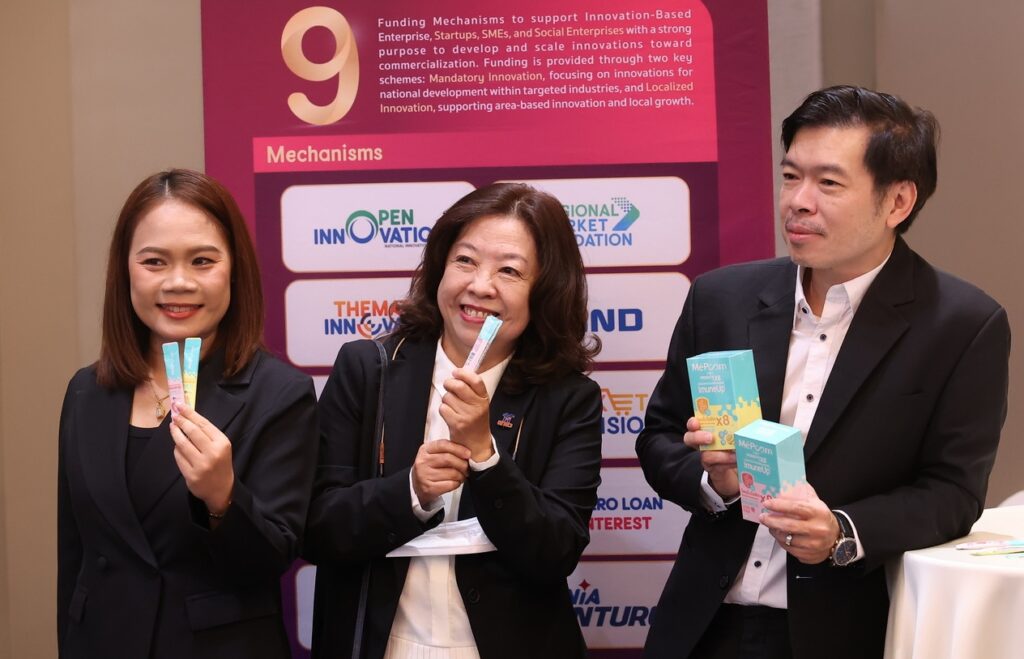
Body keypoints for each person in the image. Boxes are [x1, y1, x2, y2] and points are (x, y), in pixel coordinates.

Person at [636, 86, 1011, 659]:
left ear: (898, 201)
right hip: (703, 624)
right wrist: (716, 484)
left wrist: (841, 532)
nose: (798, 202)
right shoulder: (720, 298)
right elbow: (660, 435)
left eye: (829, 183)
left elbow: (952, 492)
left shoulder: (961, 324)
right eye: (791, 177)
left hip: (842, 628)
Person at [304, 182, 603, 659]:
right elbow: (316, 529)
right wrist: (412, 490)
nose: (480, 286)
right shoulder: (368, 369)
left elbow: (556, 551)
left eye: (509, 271)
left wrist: (486, 457)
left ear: (545, 290)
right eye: (465, 260)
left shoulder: (569, 398)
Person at [57, 169, 319, 658]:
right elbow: (76, 560)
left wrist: (223, 497)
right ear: (125, 270)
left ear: (234, 270)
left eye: (202, 261)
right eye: (154, 261)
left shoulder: (280, 394)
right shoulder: (86, 392)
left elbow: (272, 562)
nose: (178, 283)